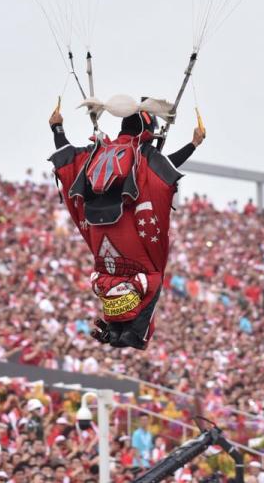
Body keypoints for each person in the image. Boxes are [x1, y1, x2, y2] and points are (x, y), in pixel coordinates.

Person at [48, 95, 205, 349]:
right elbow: (167, 167)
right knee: (151, 277)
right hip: (130, 234)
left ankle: (113, 328)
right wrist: (194, 144)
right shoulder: (142, 153)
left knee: (114, 275)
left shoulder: (96, 152)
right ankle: (133, 333)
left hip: (100, 237)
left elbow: (67, 157)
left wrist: (57, 128)